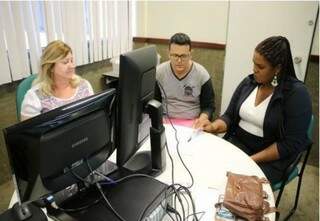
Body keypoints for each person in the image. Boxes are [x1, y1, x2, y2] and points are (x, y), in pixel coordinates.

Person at [202, 36, 312, 184]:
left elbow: (290, 144)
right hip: (239, 143)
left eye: (260, 67)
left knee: (238, 187)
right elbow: (230, 116)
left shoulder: (296, 94)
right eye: (254, 64)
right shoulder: (249, 82)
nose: (254, 70)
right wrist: (213, 126)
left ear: (277, 68)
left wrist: (250, 160)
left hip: (270, 157)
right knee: (208, 170)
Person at [21, 40, 94, 121]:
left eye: (72, 60)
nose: (71, 66)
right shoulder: (34, 96)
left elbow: (94, 116)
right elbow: (29, 131)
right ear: (50, 67)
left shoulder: (84, 85)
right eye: (65, 62)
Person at [154, 33, 215, 128]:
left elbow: (209, 107)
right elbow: (154, 101)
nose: (179, 60)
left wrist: (202, 119)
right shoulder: (159, 73)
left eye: (183, 56)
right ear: (169, 54)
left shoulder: (202, 74)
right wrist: (157, 118)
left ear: (190, 55)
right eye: (175, 55)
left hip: (193, 123)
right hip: (165, 122)